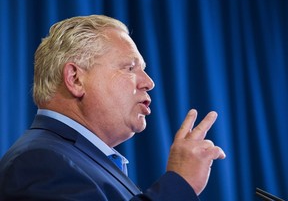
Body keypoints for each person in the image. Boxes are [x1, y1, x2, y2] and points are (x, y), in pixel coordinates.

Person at [0, 15, 226, 200]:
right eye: (130, 67)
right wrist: (179, 184)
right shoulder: (39, 162)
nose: (149, 82)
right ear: (76, 79)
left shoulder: (78, 159)